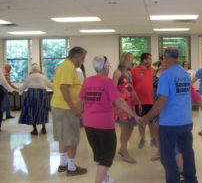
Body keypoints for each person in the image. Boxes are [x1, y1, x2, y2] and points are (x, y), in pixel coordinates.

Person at [78, 55, 140, 183]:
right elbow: (120, 102)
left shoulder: (87, 81)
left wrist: (82, 115)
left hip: (89, 124)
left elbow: (79, 101)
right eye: (109, 65)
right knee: (107, 156)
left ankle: (105, 178)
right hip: (104, 125)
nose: (110, 67)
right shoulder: (108, 82)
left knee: (100, 154)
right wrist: (135, 115)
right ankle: (99, 181)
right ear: (105, 67)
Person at [140, 46, 198, 183]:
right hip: (186, 122)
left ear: (165, 58)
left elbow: (161, 101)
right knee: (187, 153)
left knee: (167, 157)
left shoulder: (166, 75)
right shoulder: (185, 73)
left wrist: (146, 117)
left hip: (170, 124)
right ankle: (191, 180)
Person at [51, 46, 87, 176]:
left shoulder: (63, 66)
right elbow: (64, 88)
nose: (82, 61)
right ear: (76, 57)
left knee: (63, 137)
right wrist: (74, 108)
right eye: (82, 58)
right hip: (66, 108)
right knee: (72, 139)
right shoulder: (68, 67)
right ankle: (71, 168)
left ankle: (62, 164)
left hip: (58, 106)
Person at [112, 52, 142, 164]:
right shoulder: (117, 73)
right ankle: (125, 152)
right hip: (121, 105)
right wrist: (117, 107)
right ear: (125, 61)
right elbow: (113, 90)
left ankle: (122, 149)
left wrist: (138, 101)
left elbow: (132, 89)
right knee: (124, 129)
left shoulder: (129, 73)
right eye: (131, 60)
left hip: (130, 104)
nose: (132, 63)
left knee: (131, 127)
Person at [18, 64, 53, 135]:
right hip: (42, 95)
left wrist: (19, 92)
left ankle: (35, 129)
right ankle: (44, 128)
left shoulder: (29, 77)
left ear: (32, 70)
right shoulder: (43, 77)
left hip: (32, 94)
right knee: (42, 110)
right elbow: (50, 86)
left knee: (32, 111)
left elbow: (24, 86)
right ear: (39, 70)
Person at [131, 53, 155, 149]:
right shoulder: (134, 71)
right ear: (144, 60)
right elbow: (130, 86)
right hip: (139, 102)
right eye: (149, 59)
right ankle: (142, 138)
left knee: (152, 122)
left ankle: (153, 139)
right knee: (141, 121)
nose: (151, 61)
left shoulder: (153, 71)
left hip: (151, 101)